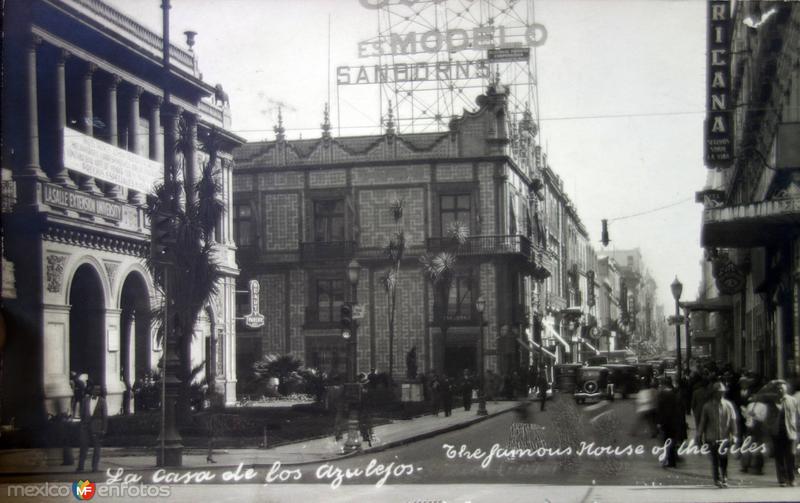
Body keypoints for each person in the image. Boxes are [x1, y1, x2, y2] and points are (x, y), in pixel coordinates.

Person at [696, 381, 738, 488]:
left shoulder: (728, 405)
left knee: (724, 459)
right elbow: (703, 422)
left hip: (725, 437)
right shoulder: (707, 406)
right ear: (714, 393)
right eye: (718, 392)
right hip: (712, 437)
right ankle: (717, 479)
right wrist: (699, 435)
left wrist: (734, 435)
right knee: (715, 460)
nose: (721, 394)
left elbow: (733, 421)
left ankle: (724, 478)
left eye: (722, 392)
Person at [763, 380, 799, 487]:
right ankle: (782, 479)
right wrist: (770, 428)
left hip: (790, 432)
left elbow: (797, 415)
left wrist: (797, 429)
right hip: (777, 433)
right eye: (778, 389)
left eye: (782, 388)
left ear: (786, 390)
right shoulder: (772, 401)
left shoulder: (792, 400)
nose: (780, 390)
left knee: (791, 456)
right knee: (779, 457)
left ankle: (791, 479)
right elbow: (768, 417)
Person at [77, 384, 107, 473]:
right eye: (95, 389)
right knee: (83, 447)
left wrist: (104, 429)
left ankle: (94, 467)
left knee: (97, 448)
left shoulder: (102, 401)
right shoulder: (85, 400)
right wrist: (82, 425)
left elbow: (104, 416)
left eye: (99, 390)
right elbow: (82, 414)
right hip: (85, 427)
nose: (97, 391)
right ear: (91, 390)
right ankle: (80, 467)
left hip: (97, 427)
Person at [656, 378, 685, 468]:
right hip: (674, 421)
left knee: (667, 441)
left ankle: (669, 460)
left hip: (667, 422)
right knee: (671, 440)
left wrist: (660, 422)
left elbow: (661, 409)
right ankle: (672, 459)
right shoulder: (673, 393)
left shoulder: (663, 394)